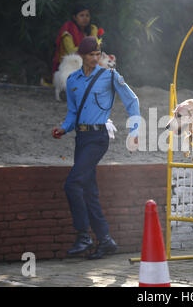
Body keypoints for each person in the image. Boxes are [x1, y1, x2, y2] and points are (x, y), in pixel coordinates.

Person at [51, 36, 140, 260]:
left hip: (99, 137)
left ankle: (83, 236)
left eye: (97, 54)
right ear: (82, 56)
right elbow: (73, 112)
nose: (95, 57)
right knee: (89, 192)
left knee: (72, 184)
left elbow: (132, 101)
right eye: (90, 54)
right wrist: (64, 128)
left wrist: (135, 129)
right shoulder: (72, 80)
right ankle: (106, 240)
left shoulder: (109, 76)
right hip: (81, 137)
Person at [51, 4, 101, 77]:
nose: (85, 18)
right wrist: (88, 48)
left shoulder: (93, 29)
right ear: (74, 17)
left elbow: (96, 46)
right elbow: (71, 51)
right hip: (71, 63)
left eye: (87, 15)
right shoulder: (67, 30)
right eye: (82, 15)